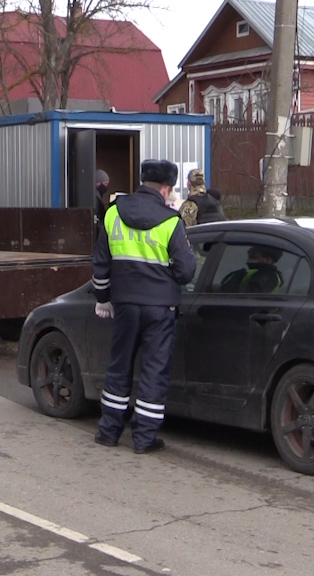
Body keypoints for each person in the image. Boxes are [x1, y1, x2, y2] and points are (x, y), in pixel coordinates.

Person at [91, 159, 196, 454]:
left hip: (124, 304)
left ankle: (109, 431)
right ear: (165, 188)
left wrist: (103, 299)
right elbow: (187, 271)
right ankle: (143, 438)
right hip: (161, 309)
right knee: (154, 369)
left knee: (119, 366)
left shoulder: (112, 214)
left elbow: (100, 265)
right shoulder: (171, 221)